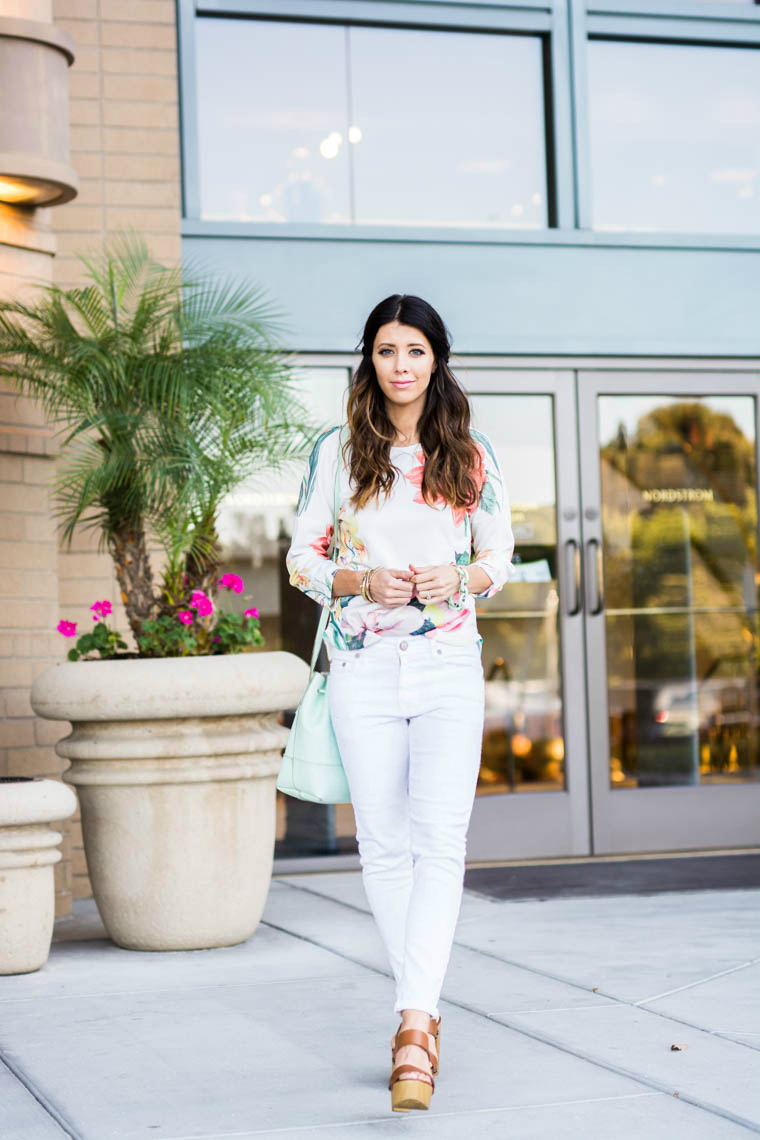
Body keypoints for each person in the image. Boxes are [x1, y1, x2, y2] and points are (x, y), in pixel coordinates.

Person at [285, 293, 514, 1112]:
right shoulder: (338, 453)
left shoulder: (470, 453)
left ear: (436, 361)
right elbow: (300, 558)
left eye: (415, 351)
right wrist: (355, 578)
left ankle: (413, 1025)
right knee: (383, 843)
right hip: (363, 666)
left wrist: (463, 577)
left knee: (440, 842)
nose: (402, 365)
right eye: (387, 350)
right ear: (370, 362)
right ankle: (419, 1014)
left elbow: (501, 554)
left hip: (449, 660)